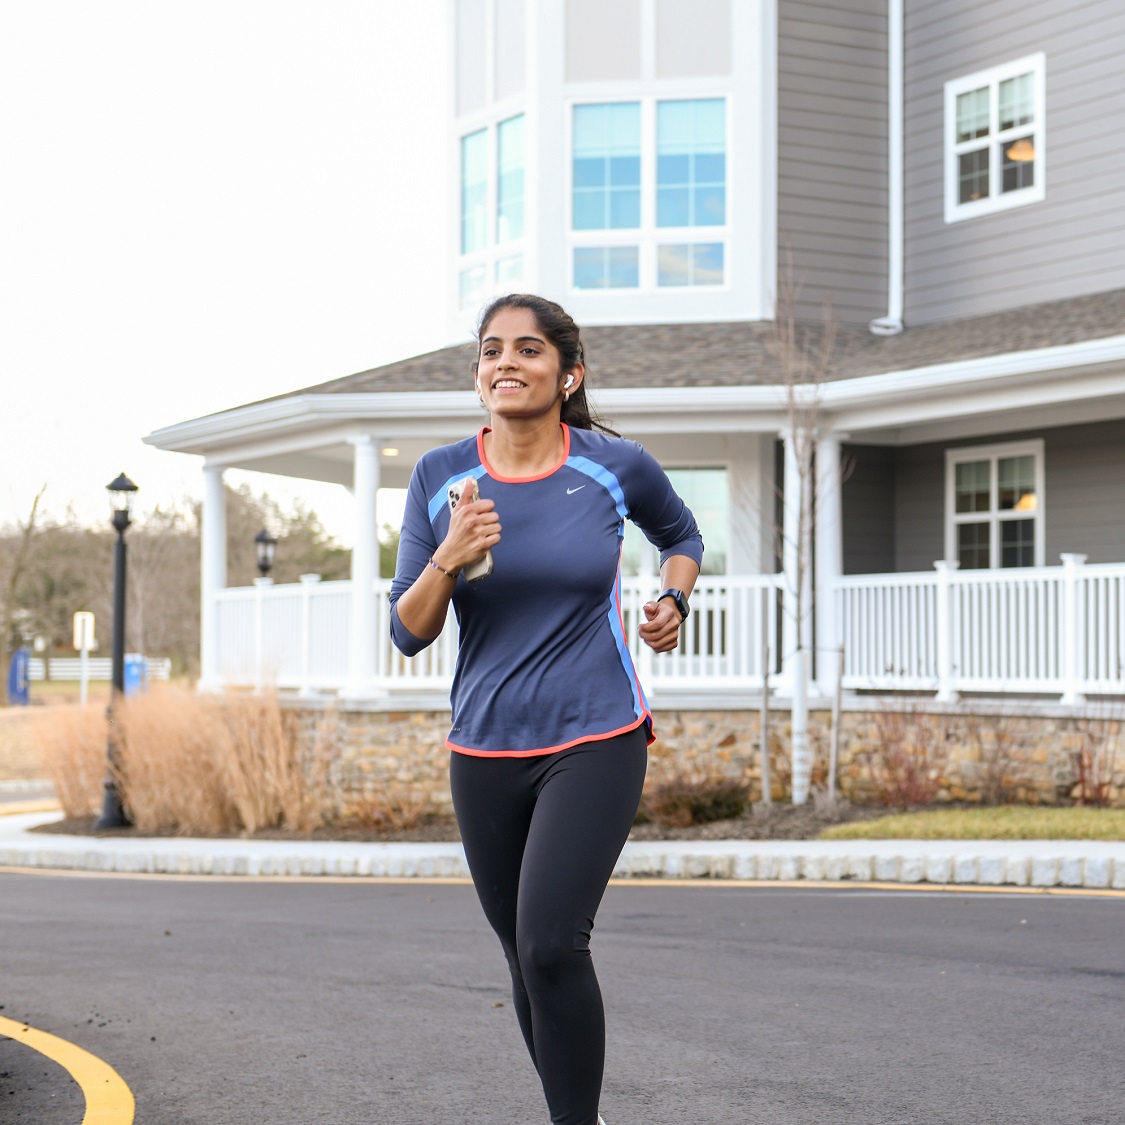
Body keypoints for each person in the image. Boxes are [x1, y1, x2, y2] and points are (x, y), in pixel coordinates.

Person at [389, 293, 703, 1125]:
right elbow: (408, 631)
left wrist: (672, 599)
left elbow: (681, 536)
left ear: (568, 374)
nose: (506, 362)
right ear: (478, 375)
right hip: (484, 747)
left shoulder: (613, 465)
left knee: (551, 943)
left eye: (528, 349)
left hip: (596, 734)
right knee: (523, 958)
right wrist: (449, 557)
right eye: (491, 350)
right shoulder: (439, 477)